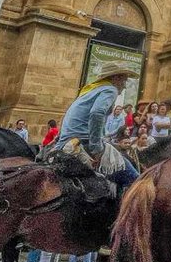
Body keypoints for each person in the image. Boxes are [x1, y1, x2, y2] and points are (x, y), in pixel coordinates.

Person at [49, 62, 141, 195]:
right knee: (136, 181)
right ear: (115, 78)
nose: (125, 85)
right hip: (84, 143)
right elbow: (97, 113)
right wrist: (96, 147)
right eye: (124, 80)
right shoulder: (110, 90)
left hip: (67, 142)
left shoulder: (90, 91)